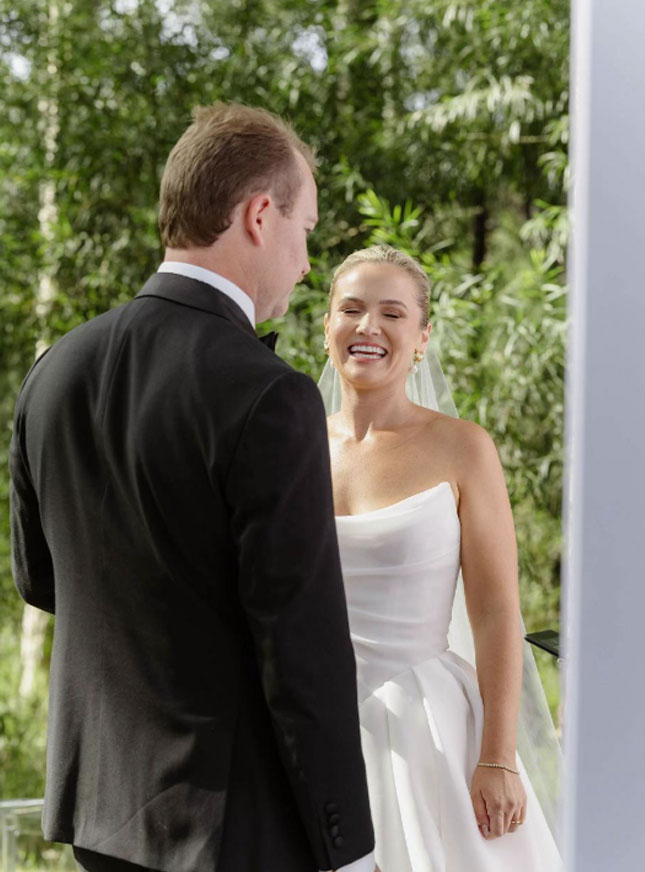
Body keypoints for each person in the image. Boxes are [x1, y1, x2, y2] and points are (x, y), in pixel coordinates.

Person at [9, 103, 376, 872]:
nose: (307, 263)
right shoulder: (270, 394)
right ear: (258, 215)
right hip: (232, 828)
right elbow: (300, 650)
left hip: (99, 814)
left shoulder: (53, 369)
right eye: (305, 231)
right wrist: (344, 843)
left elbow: (42, 581)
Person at [319, 245, 562, 871]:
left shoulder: (463, 449)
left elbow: (495, 613)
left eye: (392, 314)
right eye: (351, 309)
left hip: (427, 729)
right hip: (313, 725)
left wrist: (498, 757)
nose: (368, 327)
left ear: (422, 337)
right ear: (327, 328)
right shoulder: (291, 446)